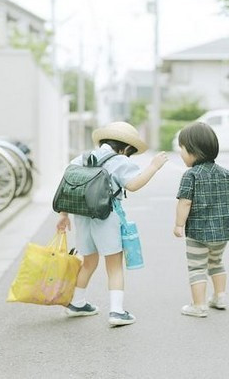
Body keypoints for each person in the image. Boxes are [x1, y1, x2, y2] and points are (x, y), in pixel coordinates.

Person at [57, 122, 168, 326]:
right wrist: (153, 167)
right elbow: (133, 185)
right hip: (105, 216)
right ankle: (117, 311)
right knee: (114, 266)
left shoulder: (82, 158)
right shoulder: (119, 161)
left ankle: (76, 303)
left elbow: (67, 185)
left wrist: (63, 215)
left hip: (82, 217)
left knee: (88, 262)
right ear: (125, 148)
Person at [173, 122, 229, 318]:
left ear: (193, 151)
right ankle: (220, 297)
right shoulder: (226, 173)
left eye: (182, 149)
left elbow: (185, 203)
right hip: (222, 231)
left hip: (198, 233)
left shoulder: (191, 175)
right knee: (216, 262)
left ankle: (199, 305)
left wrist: (179, 224)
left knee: (197, 266)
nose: (180, 153)